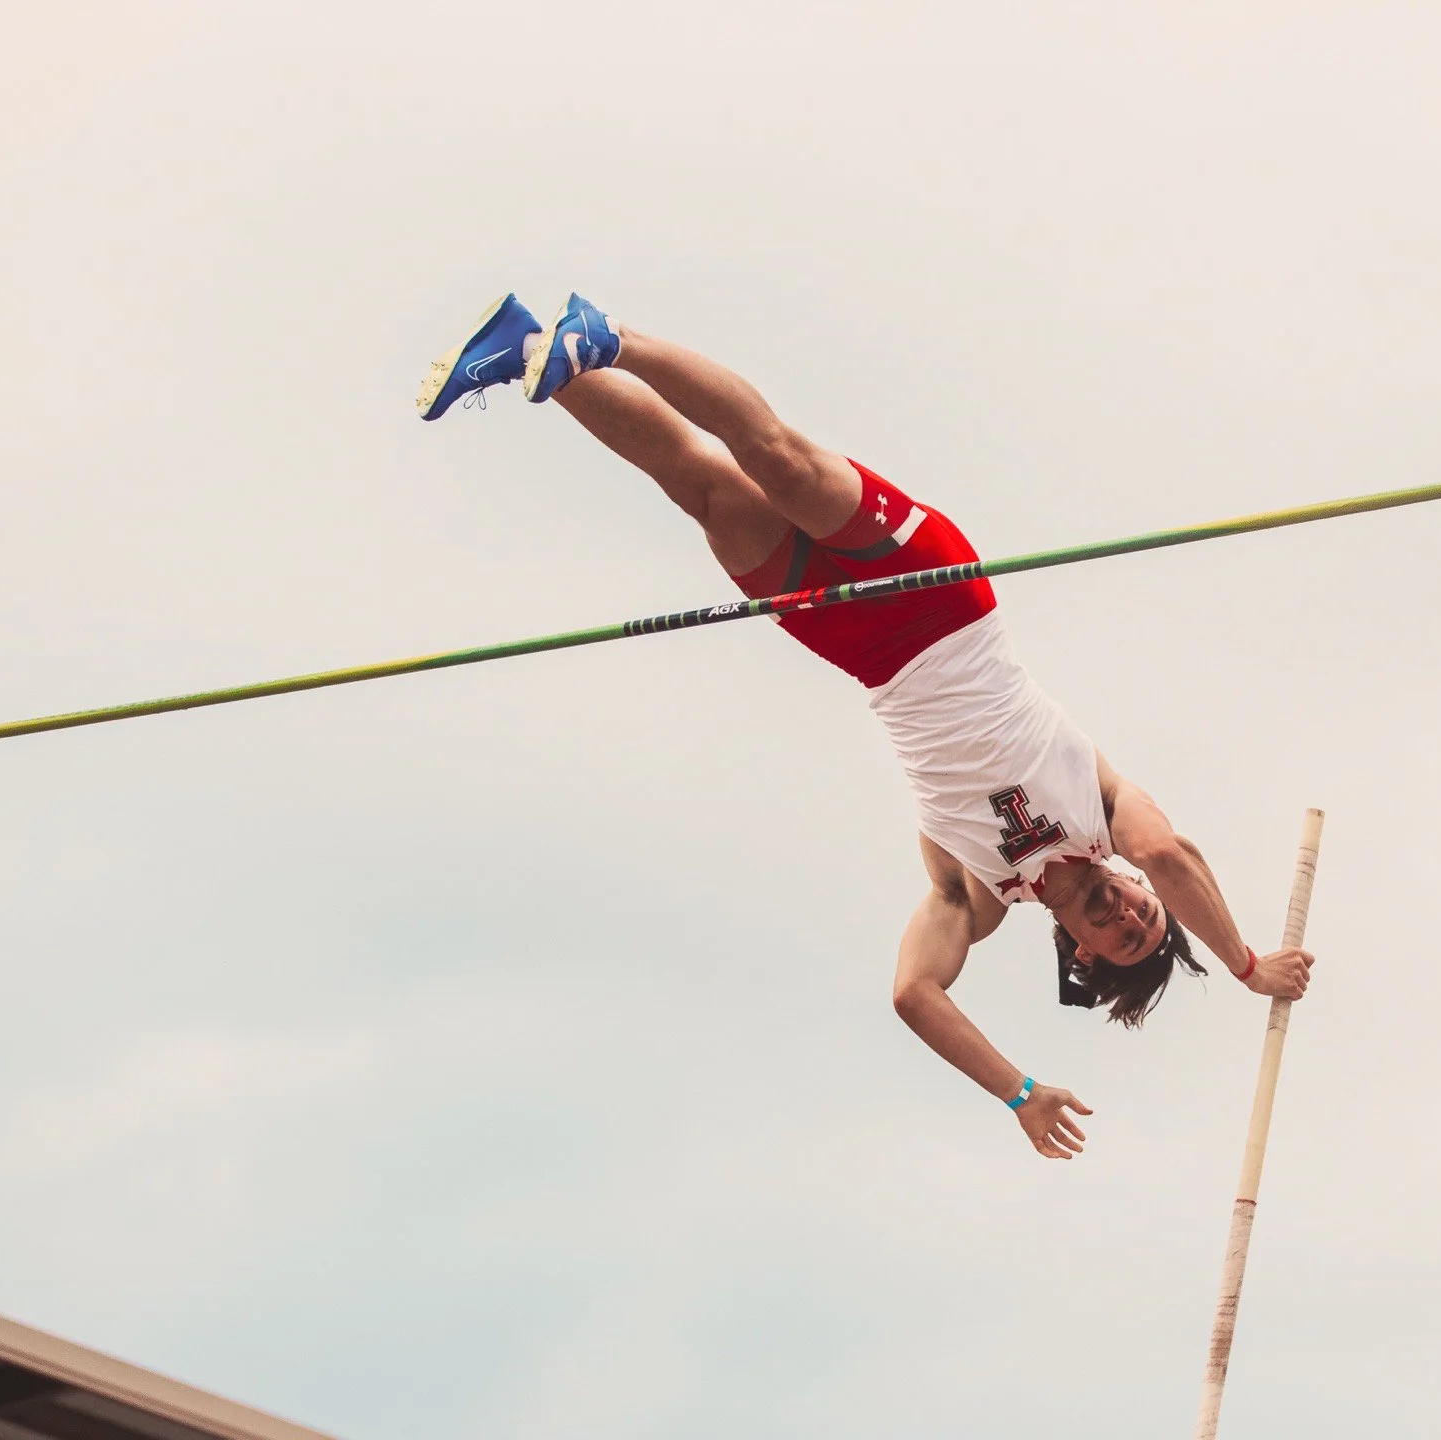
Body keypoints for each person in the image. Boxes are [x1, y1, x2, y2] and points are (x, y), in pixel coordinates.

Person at [418, 293, 1316, 1159]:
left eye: (1122, 936)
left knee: (702, 490)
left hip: (866, 655)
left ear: (1080, 954)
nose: (1126, 909)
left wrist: (1017, 1091)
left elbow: (913, 994)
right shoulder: (1109, 809)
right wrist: (1242, 965)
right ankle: (608, 336)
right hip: (941, 599)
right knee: (781, 462)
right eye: (1144, 915)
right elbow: (1172, 857)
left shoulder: (976, 893)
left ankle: (534, 350)